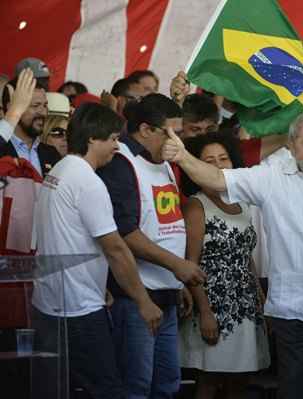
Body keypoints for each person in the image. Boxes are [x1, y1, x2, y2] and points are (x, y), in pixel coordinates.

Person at [162, 110, 303, 399]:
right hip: (292, 315)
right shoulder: (269, 180)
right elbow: (218, 179)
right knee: (291, 391)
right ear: (293, 146)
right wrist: (182, 156)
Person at [32, 102, 163, 399]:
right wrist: (144, 301)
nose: (116, 147)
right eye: (113, 139)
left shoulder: (60, 170)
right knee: (108, 391)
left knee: (56, 389)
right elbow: (116, 248)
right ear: (93, 138)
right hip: (78, 310)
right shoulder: (88, 182)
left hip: (50, 302)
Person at [97, 93, 205, 398]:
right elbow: (126, 233)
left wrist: (176, 280)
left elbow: (165, 226)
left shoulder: (166, 163)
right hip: (136, 296)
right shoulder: (122, 163)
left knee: (167, 385)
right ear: (145, 130)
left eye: (180, 133)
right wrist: (177, 265)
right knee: (137, 386)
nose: (177, 141)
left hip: (166, 290)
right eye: (170, 133)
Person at [178, 131, 270, 399]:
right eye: (209, 160)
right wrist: (205, 312)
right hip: (213, 305)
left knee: (241, 380)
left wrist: (260, 297)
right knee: (209, 379)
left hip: (246, 304)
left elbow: (245, 255)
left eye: (223, 158)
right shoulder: (196, 206)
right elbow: (191, 264)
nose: (218, 165)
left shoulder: (242, 202)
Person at [1, 71, 60, 177]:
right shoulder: (2, 148)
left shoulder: (52, 154)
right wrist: (14, 113)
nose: (43, 112)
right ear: (12, 107)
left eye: (45, 105)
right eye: (35, 105)